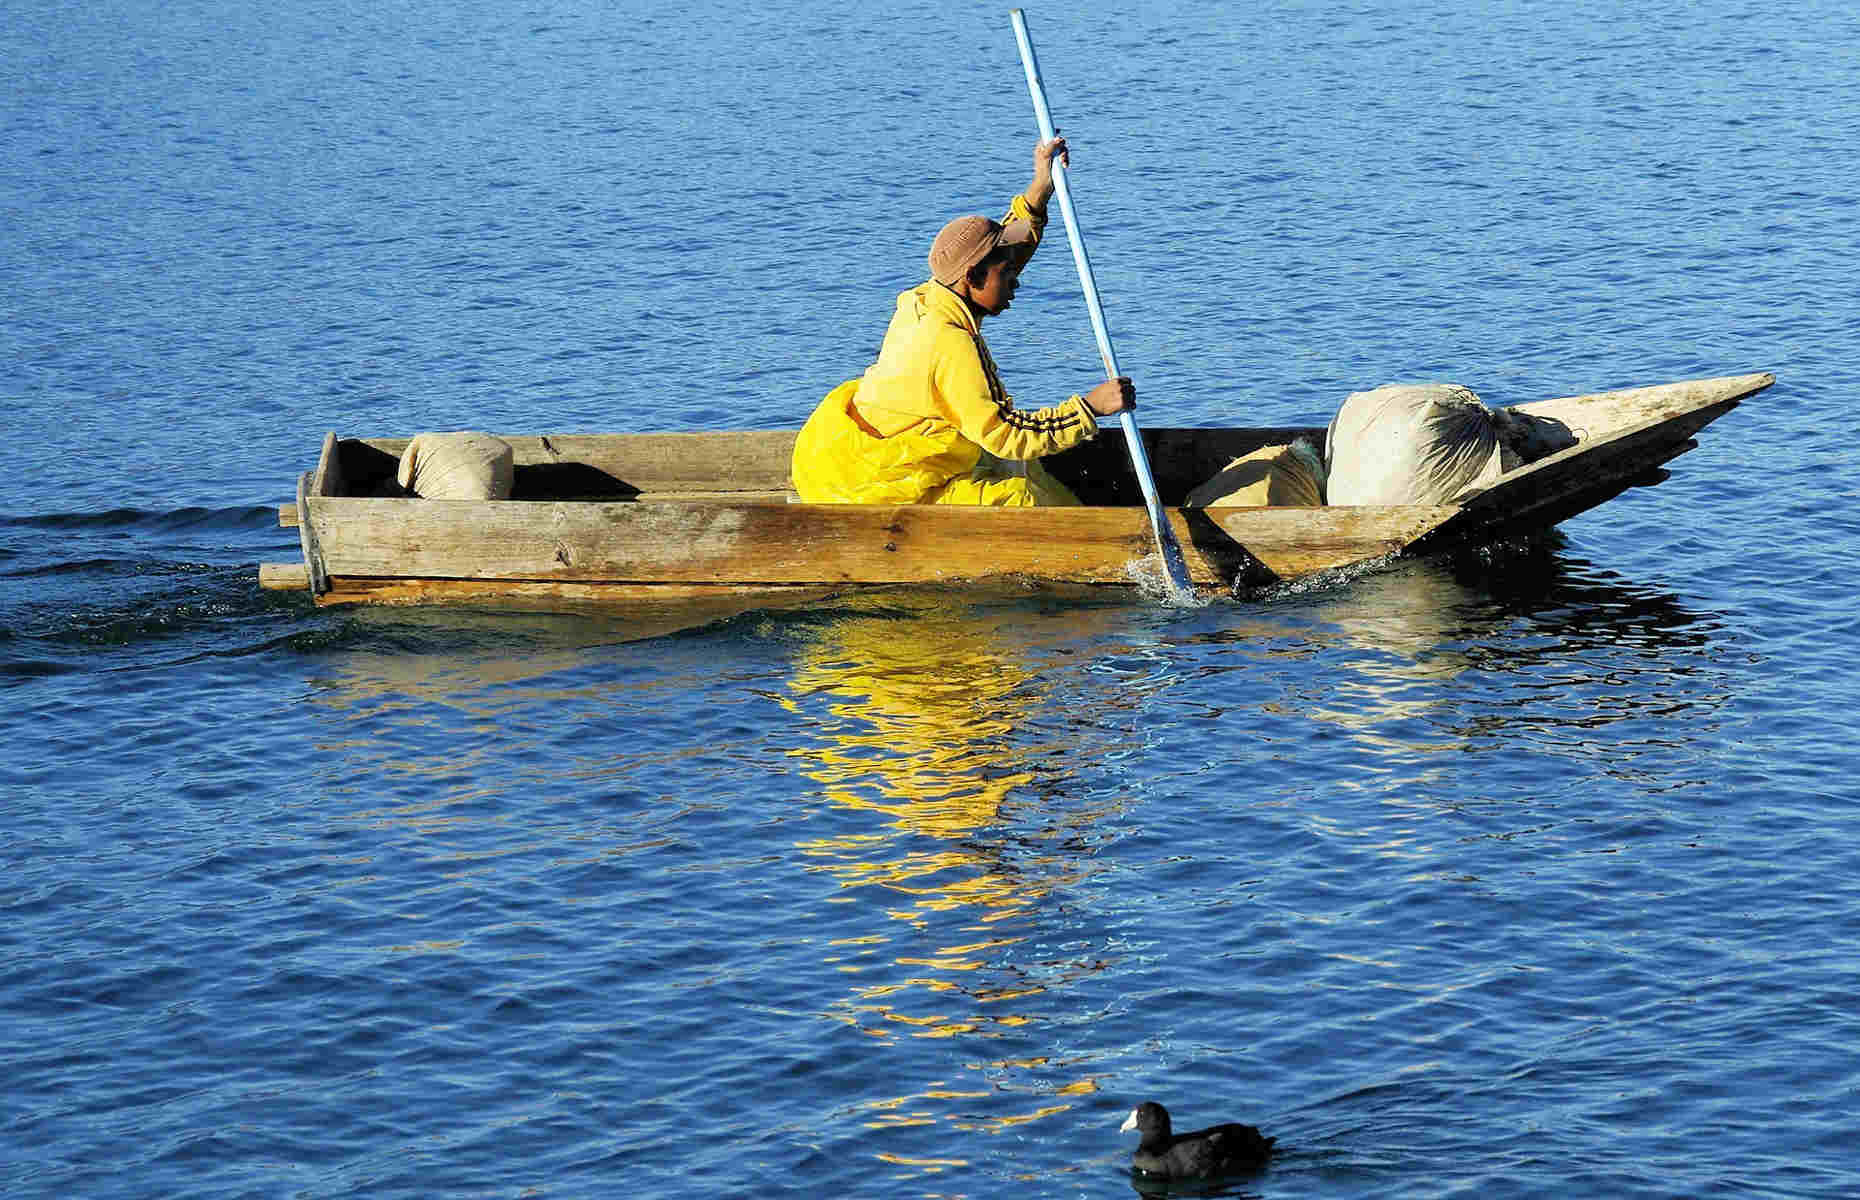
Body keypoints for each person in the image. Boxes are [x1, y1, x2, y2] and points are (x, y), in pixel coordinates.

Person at [791, 135, 1135, 506]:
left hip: (840, 454)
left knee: (1021, 466)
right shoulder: (954, 344)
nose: (1016, 280)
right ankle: (1102, 546)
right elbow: (1007, 433)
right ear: (971, 279)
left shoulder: (926, 298)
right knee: (1021, 498)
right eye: (1007, 275)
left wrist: (1040, 188)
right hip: (878, 483)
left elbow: (1006, 253)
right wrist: (1090, 408)